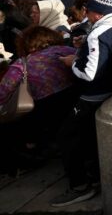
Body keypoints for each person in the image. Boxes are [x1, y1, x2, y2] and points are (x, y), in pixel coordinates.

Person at [52, 0, 112, 207]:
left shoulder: (98, 33)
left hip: (95, 94)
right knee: (89, 136)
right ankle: (95, 174)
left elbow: (90, 73)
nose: (85, 15)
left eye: (87, 11)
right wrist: (84, 46)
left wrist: (72, 61)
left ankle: (80, 186)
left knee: (67, 136)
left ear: (96, 14)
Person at [0, 27, 78, 167]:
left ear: (25, 43)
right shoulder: (65, 51)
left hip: (43, 111)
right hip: (72, 103)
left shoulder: (22, 64)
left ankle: (31, 152)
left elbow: (3, 91)